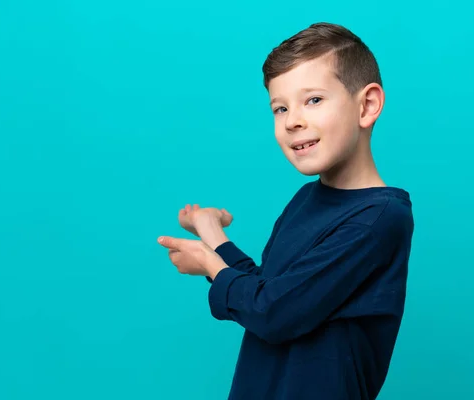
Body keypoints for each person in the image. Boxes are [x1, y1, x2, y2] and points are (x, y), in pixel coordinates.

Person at [158, 22, 414, 400]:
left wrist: (208, 263)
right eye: (280, 108)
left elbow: (273, 313)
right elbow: (271, 291)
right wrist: (211, 233)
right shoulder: (305, 200)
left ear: (367, 105)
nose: (292, 120)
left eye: (313, 100)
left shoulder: (379, 219)